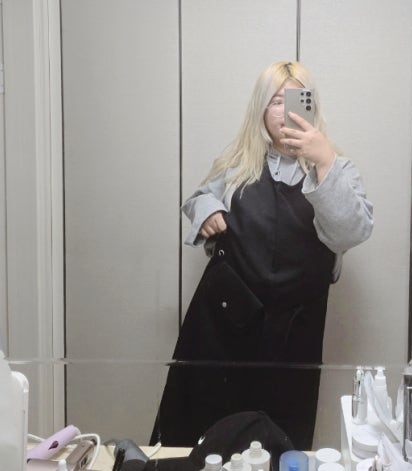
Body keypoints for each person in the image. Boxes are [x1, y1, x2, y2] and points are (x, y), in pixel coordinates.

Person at [150, 61, 373, 449]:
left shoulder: (337, 169)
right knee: (202, 438)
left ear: (311, 106)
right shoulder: (239, 164)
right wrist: (208, 210)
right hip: (222, 326)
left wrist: (324, 163)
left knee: (279, 446)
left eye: (295, 99)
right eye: (275, 100)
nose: (285, 110)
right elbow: (198, 197)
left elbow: (349, 232)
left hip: (293, 334)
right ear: (260, 109)